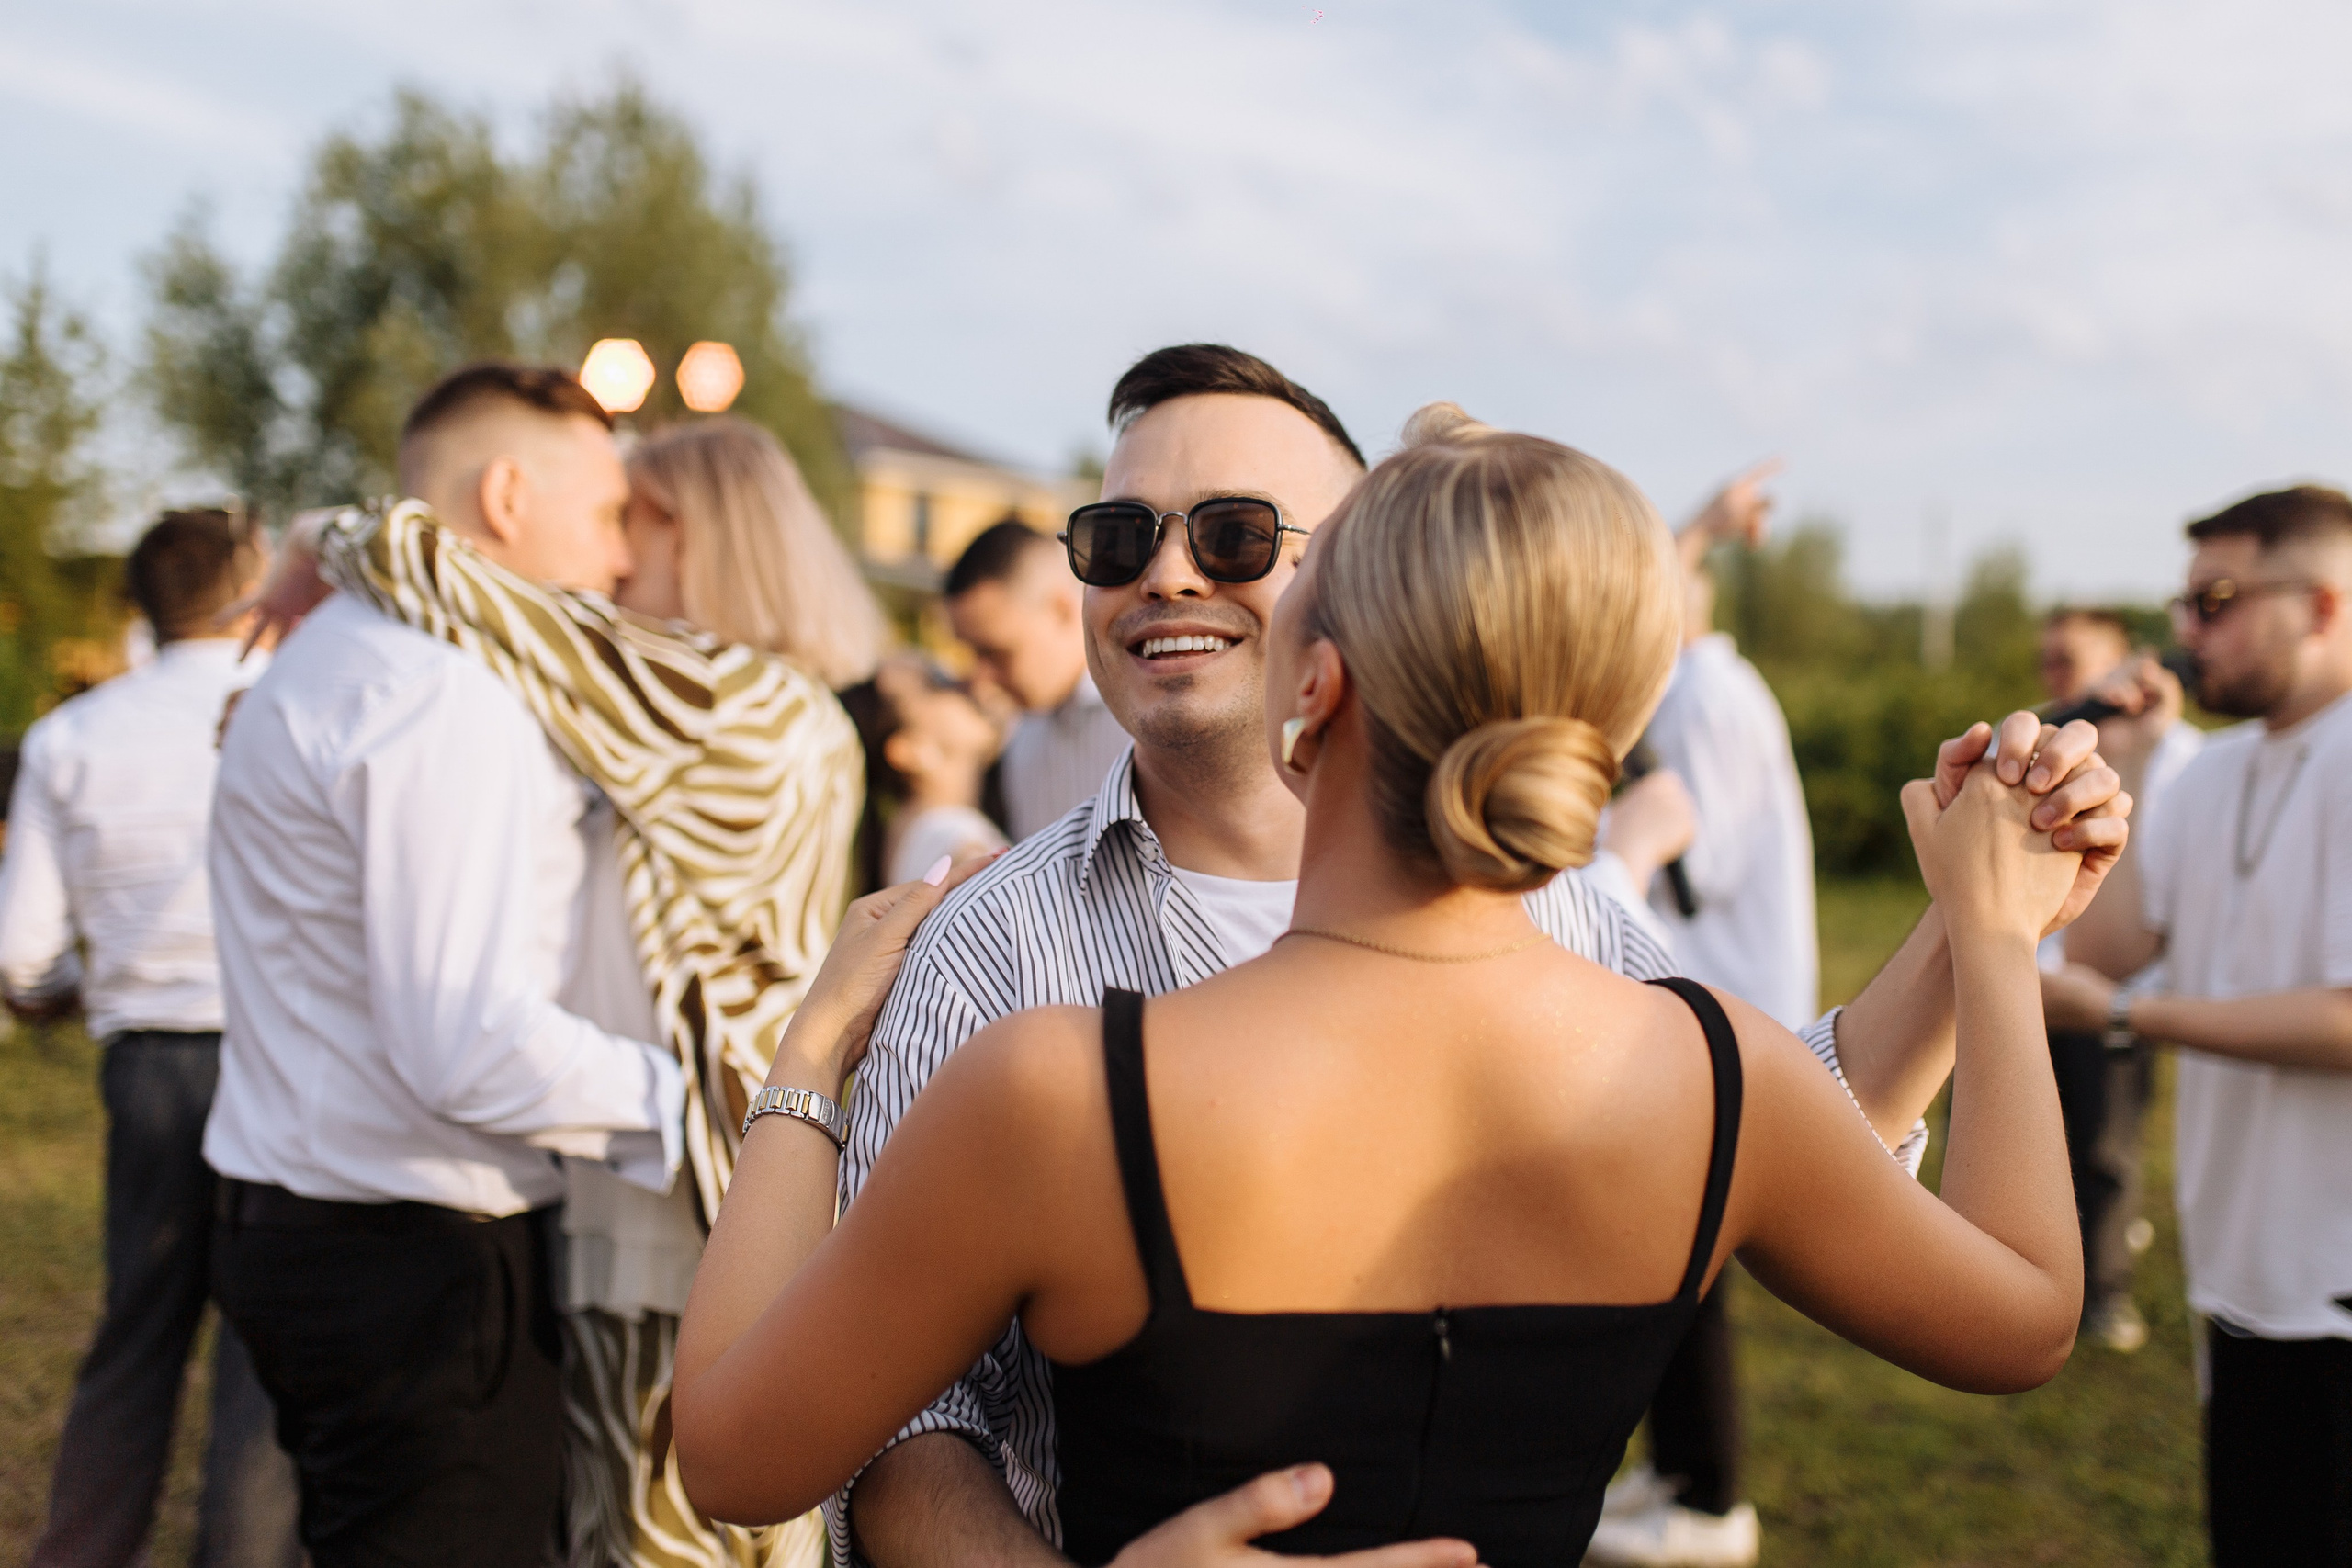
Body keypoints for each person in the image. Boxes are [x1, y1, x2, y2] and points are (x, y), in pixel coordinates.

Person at [672, 344, 2120, 1568]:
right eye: (1120, 538)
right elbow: (2009, 1298)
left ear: (1314, 683)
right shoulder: (1711, 1073)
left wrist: (806, 1060)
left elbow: (733, 1450)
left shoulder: (1057, 1090)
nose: (1168, 577)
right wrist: (1988, 930)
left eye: (1240, 539)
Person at [245, 396, 870, 1567]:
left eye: (638, 520)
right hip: (642, 1193)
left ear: (706, 536)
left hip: (699, 1207)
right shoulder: (671, 710)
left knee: (675, 1537)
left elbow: (470, 584)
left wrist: (325, 538)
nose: (616, 557)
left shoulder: (739, 707)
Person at [204, 366, 695, 1564]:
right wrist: (709, 1105)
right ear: (508, 496)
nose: (619, 557)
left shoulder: (336, 652)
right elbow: (468, 1040)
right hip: (413, 1260)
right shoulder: (443, 695)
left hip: (301, 1219)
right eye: (605, 514)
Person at [2050, 484, 2352, 1567]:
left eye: (2215, 601)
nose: (2185, 632)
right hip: (2236, 1258)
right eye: (2183, 604)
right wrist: (2129, 762)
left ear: (2321, 605)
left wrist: (2129, 1016)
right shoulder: (2211, 768)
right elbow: (2104, 949)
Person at [1, 510, 301, 1568]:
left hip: (148, 1067)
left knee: (137, 1333)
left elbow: (21, 955)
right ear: (247, 585)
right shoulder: (293, 708)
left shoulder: (71, 737)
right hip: (281, 1057)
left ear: (143, 600)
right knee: (262, 1353)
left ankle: (83, 1549)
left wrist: (76, 991)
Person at [1589, 464, 1810, 1568]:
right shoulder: (1685, 690)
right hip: (1688, 1012)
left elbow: (1693, 860)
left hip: (1725, 1016)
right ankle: (1674, 1473)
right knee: (1659, 1264)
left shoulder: (1710, 701)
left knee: (1690, 1275)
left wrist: (1609, 838)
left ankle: (1711, 1504)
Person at [2032, 608, 2202, 1357]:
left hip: (2121, 991)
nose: (2057, 675)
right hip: (2035, 980)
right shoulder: (2042, 735)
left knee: (2106, 1143)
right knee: (2030, 1136)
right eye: (2048, 660)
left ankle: (2103, 1288)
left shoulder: (2182, 756)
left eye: (2071, 659)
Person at [945, 519, 1131, 839]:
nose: (980, 678)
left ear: (1061, 610)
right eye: (973, 654)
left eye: (996, 653)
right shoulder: (1021, 736)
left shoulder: (1140, 720)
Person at [841, 654, 1012, 892]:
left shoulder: (914, 829)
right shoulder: (955, 841)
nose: (966, 683)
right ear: (911, 751)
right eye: (936, 683)